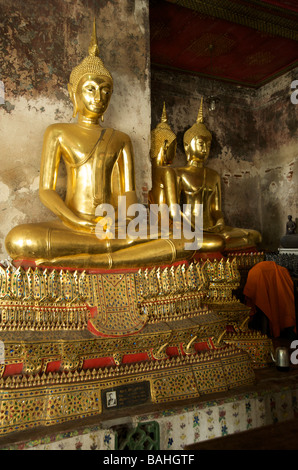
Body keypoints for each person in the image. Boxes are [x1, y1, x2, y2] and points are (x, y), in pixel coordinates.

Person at [5, 21, 201, 269]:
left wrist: (125, 218)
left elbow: (128, 192)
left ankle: (94, 258)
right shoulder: (58, 132)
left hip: (113, 226)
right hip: (73, 225)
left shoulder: (120, 138)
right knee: (19, 239)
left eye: (105, 91)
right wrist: (76, 221)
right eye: (90, 89)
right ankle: (111, 256)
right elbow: (47, 190)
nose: (98, 98)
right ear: (73, 92)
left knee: (189, 239)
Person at [175, 98, 262, 251]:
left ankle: (217, 239)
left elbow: (216, 209)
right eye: (201, 144)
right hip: (190, 229)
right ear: (187, 146)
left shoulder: (213, 175)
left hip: (214, 228)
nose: (205, 149)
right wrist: (190, 225)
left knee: (254, 235)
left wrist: (220, 222)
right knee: (215, 243)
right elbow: (174, 211)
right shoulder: (179, 173)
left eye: (208, 146)